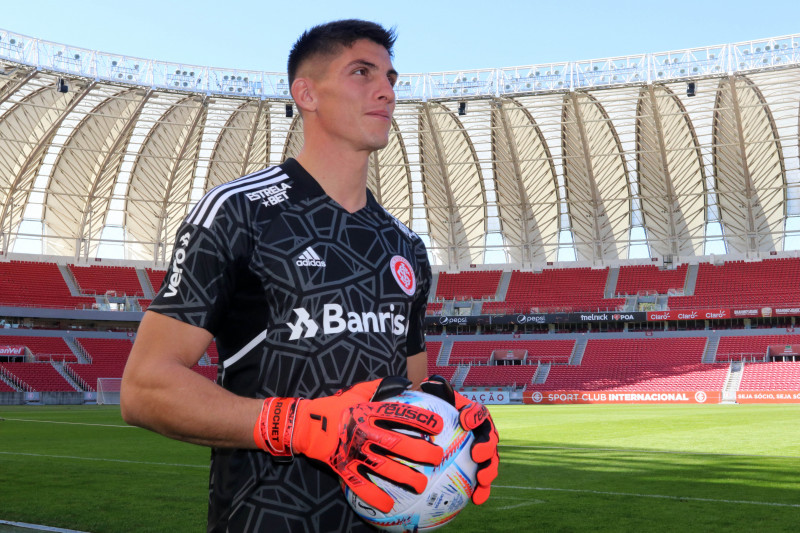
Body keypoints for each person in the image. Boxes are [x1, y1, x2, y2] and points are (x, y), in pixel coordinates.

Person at [121, 19, 498, 533]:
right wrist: (294, 425)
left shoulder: (404, 246)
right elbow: (144, 388)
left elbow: (412, 391)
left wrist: (455, 426)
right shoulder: (241, 212)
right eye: (361, 73)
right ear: (306, 94)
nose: (386, 90)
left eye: (390, 77)